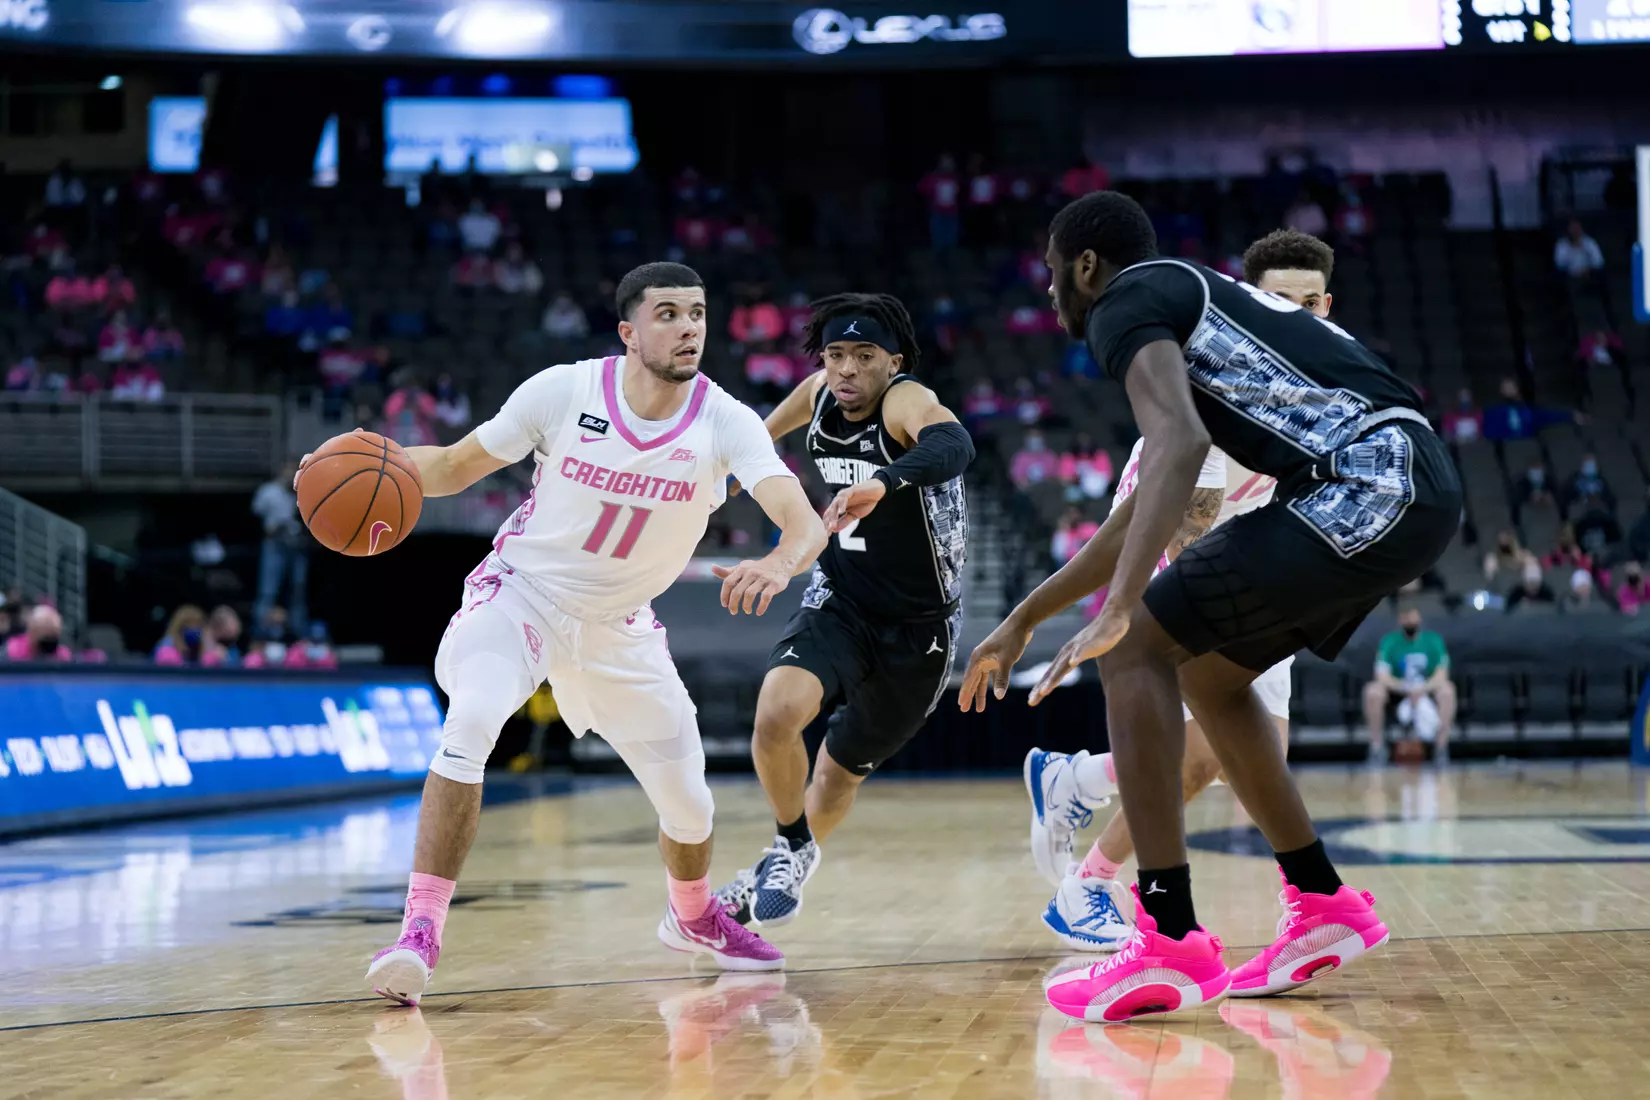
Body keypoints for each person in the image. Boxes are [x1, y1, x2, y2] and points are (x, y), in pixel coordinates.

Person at [966, 192, 1459, 1021]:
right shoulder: (1221, 323)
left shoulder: (1127, 300)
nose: (1051, 293)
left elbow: (1179, 442)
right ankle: (1322, 903)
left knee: (1135, 651)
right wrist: (1021, 621)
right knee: (1210, 677)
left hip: (1364, 483)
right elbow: (1135, 513)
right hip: (1413, 486)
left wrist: (1122, 607)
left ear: (1085, 265)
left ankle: (1167, 942)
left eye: (1054, 273)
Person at [331, 262, 826, 1005]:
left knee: (691, 807)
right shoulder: (562, 391)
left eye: (696, 313)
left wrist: (782, 562)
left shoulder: (727, 421)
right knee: (470, 721)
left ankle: (692, 918)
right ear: (629, 331)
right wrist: (383, 465)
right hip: (523, 597)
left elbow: (802, 521)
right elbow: (458, 467)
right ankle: (418, 934)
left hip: (620, 627)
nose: (688, 326)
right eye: (667, 313)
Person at [971, 228, 1327, 956]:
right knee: (1212, 750)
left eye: (1309, 303)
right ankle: (1092, 886)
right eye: (1279, 302)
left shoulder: (1325, 377)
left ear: (1326, 305)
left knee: (1239, 756)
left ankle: (1079, 783)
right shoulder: (1219, 387)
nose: (1297, 315)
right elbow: (1170, 530)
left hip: (1260, 573)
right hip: (1192, 561)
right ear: (1254, 305)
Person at [710, 293, 972, 929]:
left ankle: (786, 856)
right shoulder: (818, 394)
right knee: (777, 711)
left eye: (864, 356)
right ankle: (790, 844)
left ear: (893, 362)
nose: (847, 370)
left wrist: (883, 482)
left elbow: (954, 443)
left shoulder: (905, 401)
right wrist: (707, 488)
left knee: (837, 774)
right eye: (835, 355)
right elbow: (752, 449)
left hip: (920, 626)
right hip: (844, 595)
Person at [1363, 607, 1455, 764]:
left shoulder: (1433, 640)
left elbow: (1442, 674)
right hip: (1398, 691)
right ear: (1400, 620)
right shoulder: (1389, 641)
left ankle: (1440, 747)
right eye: (1406, 617)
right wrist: (1405, 688)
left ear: (1420, 620)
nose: (1410, 622)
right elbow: (1381, 675)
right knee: (1372, 691)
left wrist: (1422, 689)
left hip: (1426, 690)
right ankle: (1377, 747)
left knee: (1447, 690)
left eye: (1413, 617)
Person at [253, 462, 309, 636]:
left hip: (297, 545)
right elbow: (256, 514)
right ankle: (261, 632)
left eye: (294, 471)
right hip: (274, 544)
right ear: (282, 471)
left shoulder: (302, 492)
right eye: (288, 470)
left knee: (298, 590)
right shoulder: (268, 491)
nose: (291, 474)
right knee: (268, 590)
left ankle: (299, 635)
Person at [4, 605, 72, 662]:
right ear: (32, 631)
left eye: (54, 636)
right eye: (46, 637)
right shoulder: (12, 650)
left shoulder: (63, 655)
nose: (50, 641)